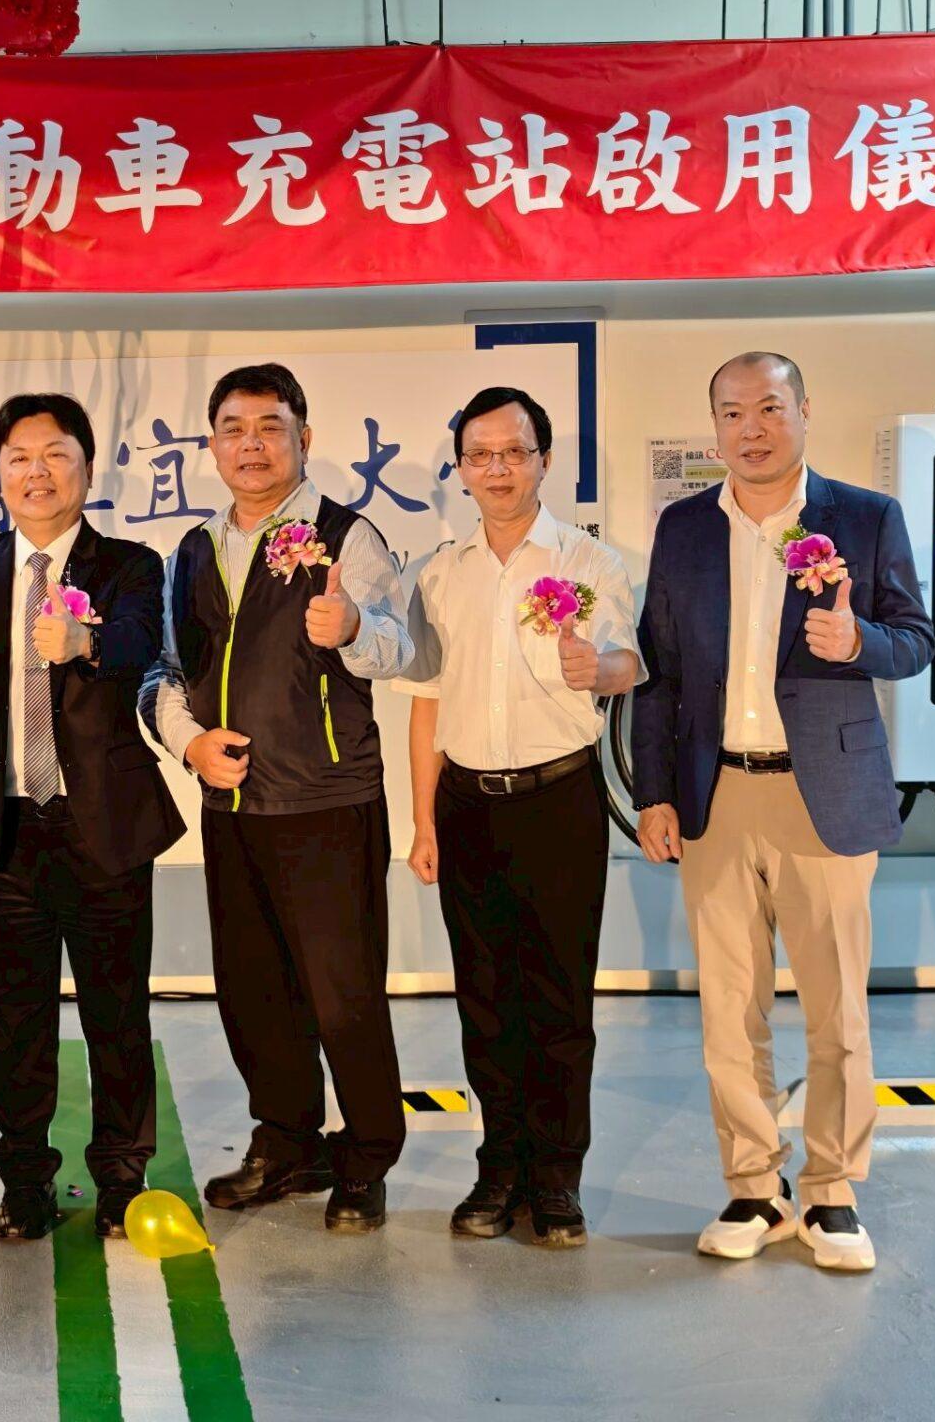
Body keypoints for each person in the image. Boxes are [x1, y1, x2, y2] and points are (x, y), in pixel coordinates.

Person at [632, 352, 933, 1273]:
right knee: (730, 1010)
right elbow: (658, 672)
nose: (751, 429)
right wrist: (652, 792)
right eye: (732, 413)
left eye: (769, 408)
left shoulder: (865, 517)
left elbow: (916, 640)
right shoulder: (685, 527)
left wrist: (858, 640)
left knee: (837, 1011)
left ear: (805, 410)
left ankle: (833, 1191)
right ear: (715, 427)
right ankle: (754, 1187)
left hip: (823, 795)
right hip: (715, 794)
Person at [142, 362, 413, 1233]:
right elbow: (163, 672)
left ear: (304, 437)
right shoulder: (191, 551)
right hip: (233, 810)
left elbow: (401, 647)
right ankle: (287, 1141)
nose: (251, 445)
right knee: (253, 994)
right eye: (233, 429)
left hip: (329, 803)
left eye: (270, 427)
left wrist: (355, 628)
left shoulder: (346, 536)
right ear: (212, 444)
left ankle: (367, 1155)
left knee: (344, 996)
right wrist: (189, 743)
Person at [0, 393, 184, 1241]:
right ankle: (25, 1178)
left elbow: (139, 644)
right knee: (14, 1017)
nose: (38, 473)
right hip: (4, 826)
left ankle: (121, 1176)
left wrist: (85, 643)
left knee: (117, 1012)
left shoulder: (129, 564)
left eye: (56, 455)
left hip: (104, 824)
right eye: (20, 458)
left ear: (87, 468)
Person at [401, 386, 638, 1248]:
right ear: (461, 469)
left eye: (514, 452)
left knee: (560, 1000)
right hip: (467, 805)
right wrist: (423, 822)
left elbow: (628, 664)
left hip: (559, 801)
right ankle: (498, 1167)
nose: (497, 469)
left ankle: (557, 1177)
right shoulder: (440, 573)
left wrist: (595, 667)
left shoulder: (590, 562)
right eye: (480, 455)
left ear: (544, 460)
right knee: (486, 1000)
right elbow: (426, 703)